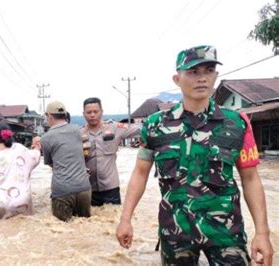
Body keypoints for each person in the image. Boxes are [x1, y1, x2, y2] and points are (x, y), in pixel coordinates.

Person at [116, 45, 274, 265]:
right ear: (176, 79)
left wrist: (262, 233)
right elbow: (140, 174)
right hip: (176, 232)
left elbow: (251, 179)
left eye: (208, 71)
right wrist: (125, 220)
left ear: (216, 76)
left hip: (226, 232)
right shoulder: (154, 125)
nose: (202, 78)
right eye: (193, 72)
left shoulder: (238, 123)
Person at [39, 100, 92, 222]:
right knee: (86, 226)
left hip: (62, 190)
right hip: (84, 187)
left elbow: (50, 163)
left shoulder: (46, 138)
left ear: (50, 116)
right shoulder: (78, 130)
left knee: (62, 230)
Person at [81, 97, 139, 206]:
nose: (92, 115)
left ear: (102, 112)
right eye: (89, 112)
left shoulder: (114, 128)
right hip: (88, 188)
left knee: (113, 220)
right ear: (83, 114)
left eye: (95, 111)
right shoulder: (78, 134)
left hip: (110, 188)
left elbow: (140, 130)